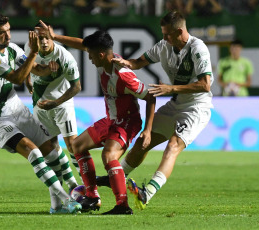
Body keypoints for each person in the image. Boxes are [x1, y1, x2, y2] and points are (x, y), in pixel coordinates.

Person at [97, 10, 213, 210]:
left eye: (167, 34)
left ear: (179, 31)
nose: (164, 38)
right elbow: (139, 62)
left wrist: (170, 88)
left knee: (173, 146)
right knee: (143, 141)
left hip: (196, 107)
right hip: (176, 103)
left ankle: (147, 193)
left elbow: (205, 85)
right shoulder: (163, 47)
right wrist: (126, 63)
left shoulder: (198, 49)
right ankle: (116, 177)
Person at [37, 20, 156, 215]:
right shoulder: (103, 62)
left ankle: (122, 206)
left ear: (101, 54)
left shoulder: (123, 74)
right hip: (111, 120)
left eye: (91, 55)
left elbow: (150, 97)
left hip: (127, 122)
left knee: (108, 156)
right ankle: (92, 196)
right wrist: (54, 37)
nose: (89, 58)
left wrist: (148, 130)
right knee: (77, 145)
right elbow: (83, 44)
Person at [0, 11, 81, 214]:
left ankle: (66, 196)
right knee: (33, 151)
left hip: (18, 110)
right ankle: (67, 200)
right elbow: (17, 78)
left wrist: (53, 68)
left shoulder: (12, 49)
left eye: (8, 31)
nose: (8, 36)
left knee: (52, 149)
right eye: (1, 33)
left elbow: (37, 70)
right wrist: (32, 53)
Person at [23, 22, 82, 191]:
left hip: (62, 105)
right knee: (50, 148)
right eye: (40, 38)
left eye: (46, 38)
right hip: (40, 105)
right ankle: (70, 187)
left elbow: (76, 86)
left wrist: (55, 103)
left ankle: (89, 187)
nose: (43, 42)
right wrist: (28, 82)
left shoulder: (64, 56)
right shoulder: (30, 49)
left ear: (52, 37)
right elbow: (27, 67)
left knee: (73, 146)